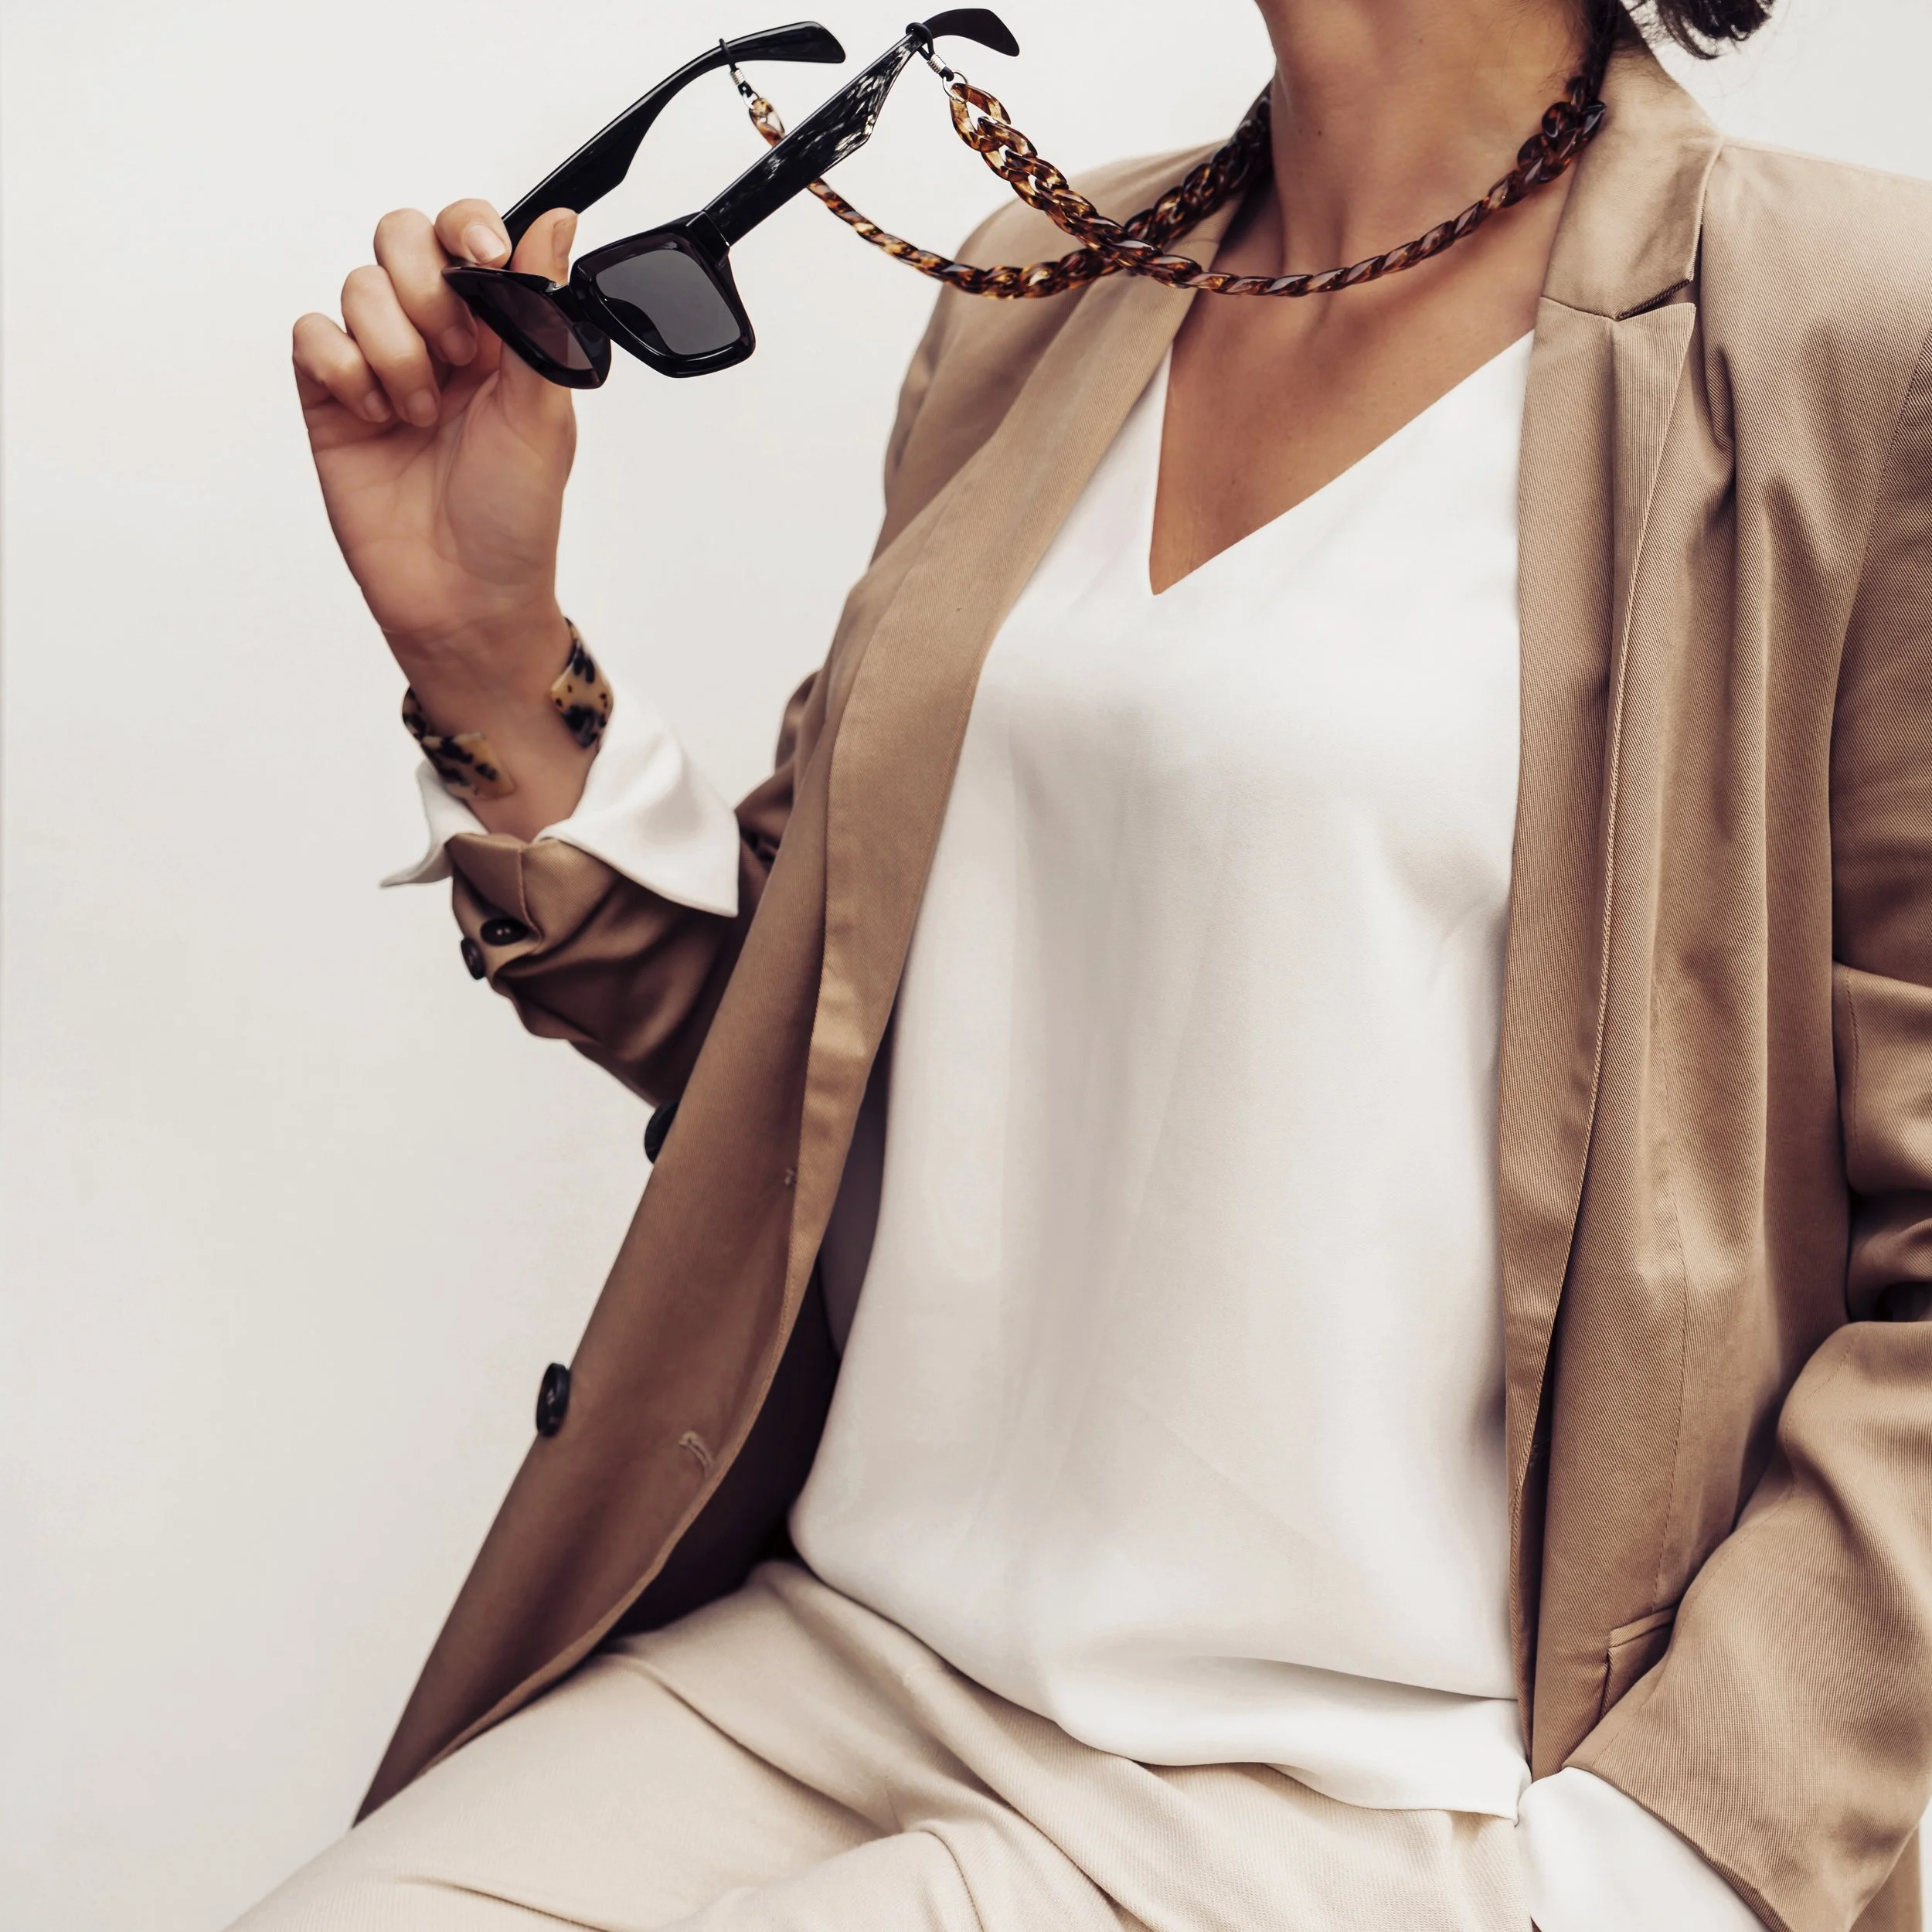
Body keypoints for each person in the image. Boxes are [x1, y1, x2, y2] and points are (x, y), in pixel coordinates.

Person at [253, 0, 1932, 1925]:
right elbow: (811, 1059)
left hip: (1378, 1789)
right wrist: (489, 654)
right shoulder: (1040, 291)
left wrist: (1658, 1858)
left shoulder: (1837, 330)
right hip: (841, 1655)